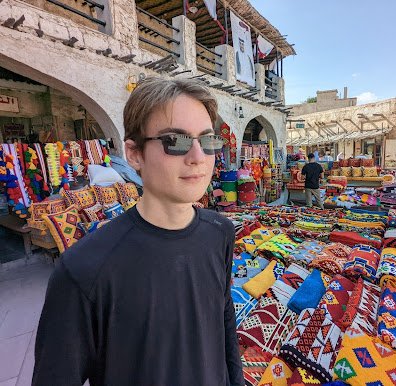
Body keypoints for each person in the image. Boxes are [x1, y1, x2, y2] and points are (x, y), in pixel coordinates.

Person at [32, 78, 244, 386]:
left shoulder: (220, 232)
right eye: (176, 141)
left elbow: (225, 329)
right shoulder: (84, 269)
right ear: (134, 154)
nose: (198, 157)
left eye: (208, 140)